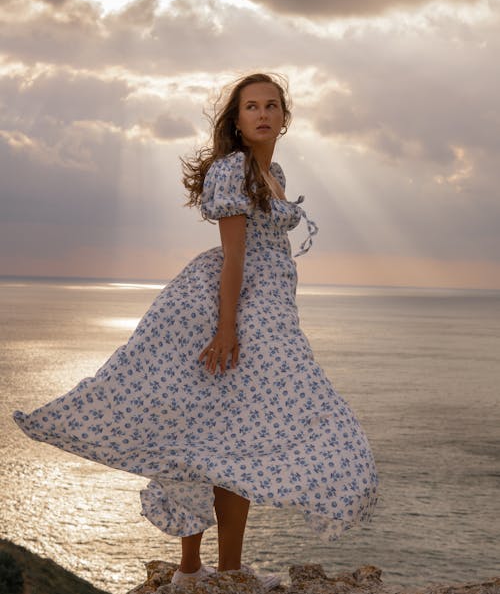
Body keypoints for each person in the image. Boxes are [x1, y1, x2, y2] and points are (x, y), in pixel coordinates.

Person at [13, 73, 378, 590]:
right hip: (232, 308)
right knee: (222, 429)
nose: (263, 114)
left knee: (229, 434)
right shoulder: (233, 170)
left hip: (267, 310)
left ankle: (221, 569)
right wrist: (227, 329)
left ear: (284, 117)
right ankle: (195, 568)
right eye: (251, 106)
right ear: (236, 119)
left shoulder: (272, 170)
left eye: (272, 105)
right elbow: (234, 257)